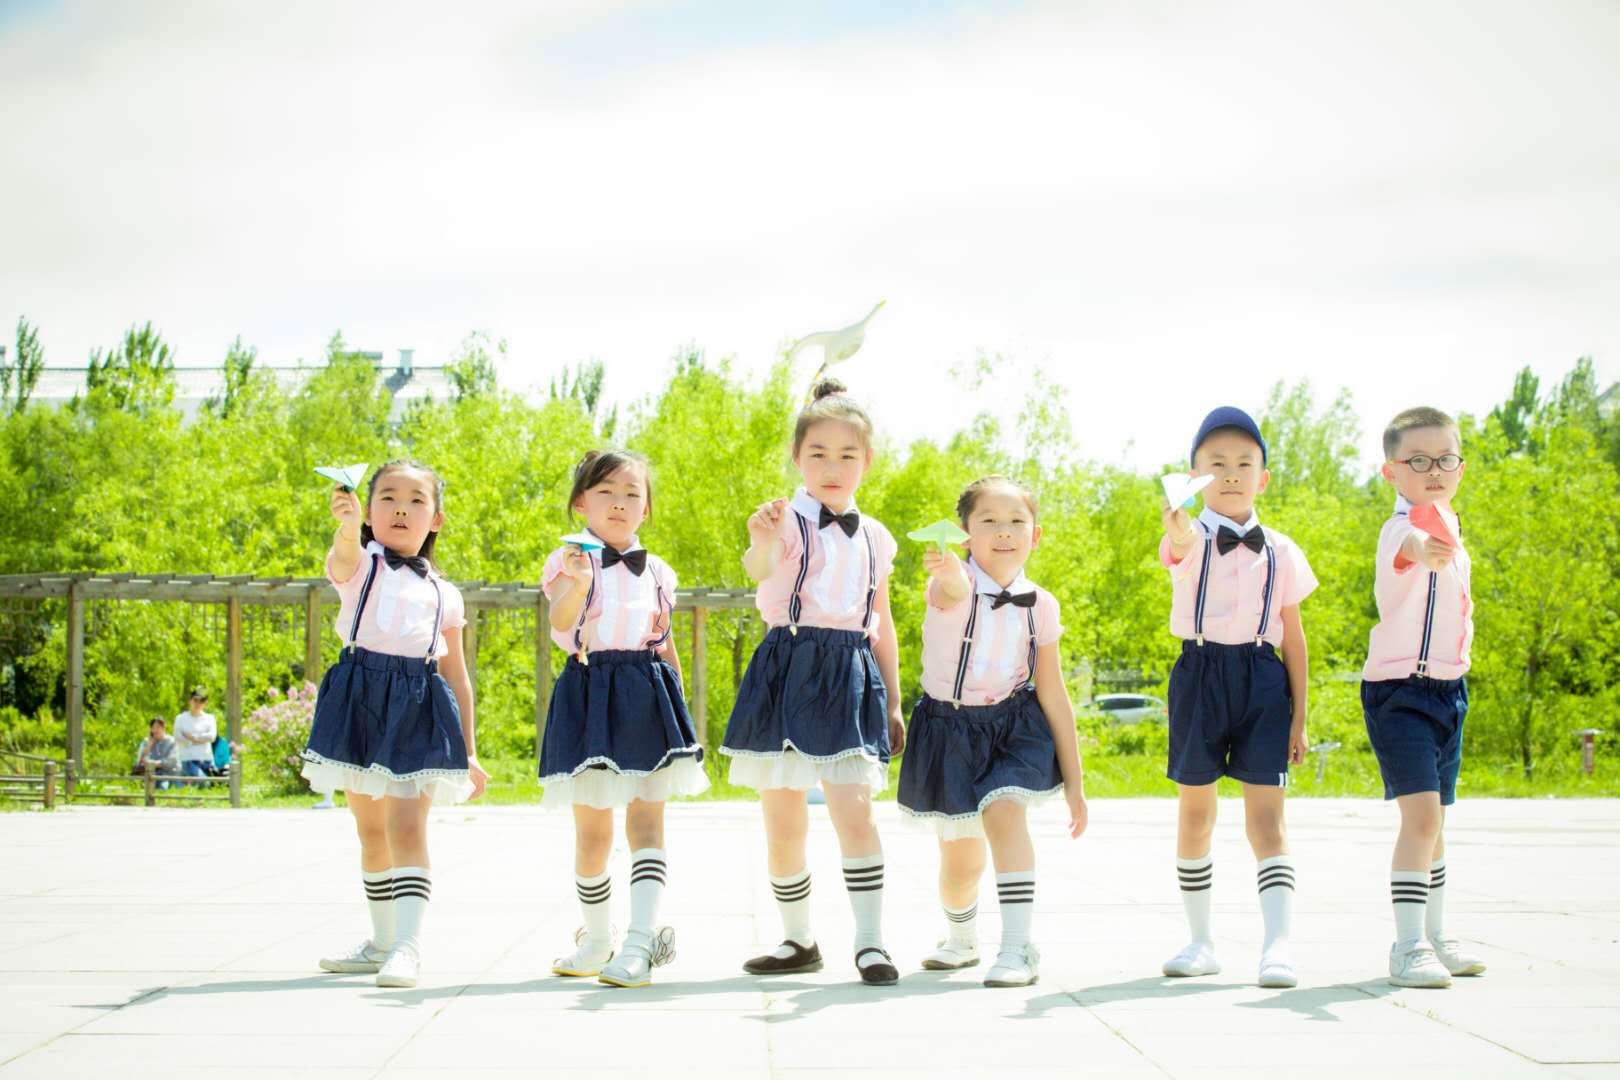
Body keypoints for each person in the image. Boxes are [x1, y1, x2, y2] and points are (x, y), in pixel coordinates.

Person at [719, 379, 906, 985]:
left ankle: (871, 943)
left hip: (849, 670)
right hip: (787, 664)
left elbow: (881, 621)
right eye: (818, 453)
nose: (832, 467)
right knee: (783, 820)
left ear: (867, 461)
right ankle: (798, 940)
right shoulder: (781, 519)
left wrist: (895, 698)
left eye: (847, 455)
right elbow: (759, 569)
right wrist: (760, 540)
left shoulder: (877, 536)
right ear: (797, 458)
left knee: (856, 813)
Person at [300, 458, 488, 989]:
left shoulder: (446, 593)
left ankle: (407, 946)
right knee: (371, 831)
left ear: (436, 519)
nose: (401, 509)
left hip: (419, 705)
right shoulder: (361, 566)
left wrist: (469, 751)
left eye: (415, 501)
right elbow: (344, 555)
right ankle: (382, 941)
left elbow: (457, 674)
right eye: (388, 498)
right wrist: (345, 527)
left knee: (406, 826)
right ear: (368, 511)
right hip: (360, 699)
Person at [896, 476, 1088, 987]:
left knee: (1005, 814)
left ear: (1035, 535)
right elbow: (953, 588)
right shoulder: (949, 584)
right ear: (965, 534)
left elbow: (1054, 693)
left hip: (1013, 726)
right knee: (960, 868)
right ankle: (961, 938)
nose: (1004, 532)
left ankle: (1019, 948)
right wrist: (950, 573)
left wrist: (1075, 783)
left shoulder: (1042, 605)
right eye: (989, 521)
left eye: (1016, 522)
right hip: (950, 730)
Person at [1158, 406, 1317, 988]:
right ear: (1195, 476)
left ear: (1263, 478)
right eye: (1217, 463)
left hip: (1262, 677)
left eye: (1244, 464)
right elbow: (1177, 545)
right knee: (1196, 813)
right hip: (1199, 673)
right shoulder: (1189, 536)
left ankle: (1278, 945)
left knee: (1267, 819)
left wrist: (1300, 716)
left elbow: (1293, 636)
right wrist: (1178, 527)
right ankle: (1200, 940)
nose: (1231, 474)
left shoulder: (1283, 549)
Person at [541, 449, 708, 988]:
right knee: (592, 833)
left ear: (646, 508)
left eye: (632, 494)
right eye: (606, 492)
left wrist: (678, 710)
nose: (619, 503)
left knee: (647, 822)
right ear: (581, 503)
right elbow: (560, 624)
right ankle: (596, 940)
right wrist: (579, 583)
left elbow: (665, 642)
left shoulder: (658, 570)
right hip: (589, 690)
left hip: (647, 693)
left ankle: (639, 943)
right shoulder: (567, 559)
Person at [1362, 406, 1484, 989]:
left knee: (1436, 824)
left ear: (1460, 467)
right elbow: (1409, 545)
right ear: (1392, 472)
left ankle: (1435, 934)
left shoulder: (1455, 528)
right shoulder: (1401, 527)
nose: (1434, 470)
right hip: (1399, 692)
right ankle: (1407, 945)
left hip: (1448, 690)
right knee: (1421, 817)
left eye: (1444, 459)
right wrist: (1424, 546)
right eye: (1417, 460)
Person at [173, 688, 217, 781]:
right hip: (188, 759)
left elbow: (212, 737)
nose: (198, 704)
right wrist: (195, 741)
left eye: (201, 701)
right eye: (195, 700)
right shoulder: (181, 718)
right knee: (203, 782)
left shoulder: (210, 718)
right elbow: (177, 736)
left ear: (205, 703)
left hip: (206, 759)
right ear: (190, 701)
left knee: (210, 784)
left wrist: (193, 737)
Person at [133, 716, 180, 789]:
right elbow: (139, 762)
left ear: (164, 728)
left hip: (168, 773)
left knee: (163, 786)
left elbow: (172, 761)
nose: (155, 730)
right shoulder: (146, 742)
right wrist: (148, 747)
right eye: (153, 727)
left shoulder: (172, 742)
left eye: (158, 727)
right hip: (151, 773)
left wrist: (154, 763)